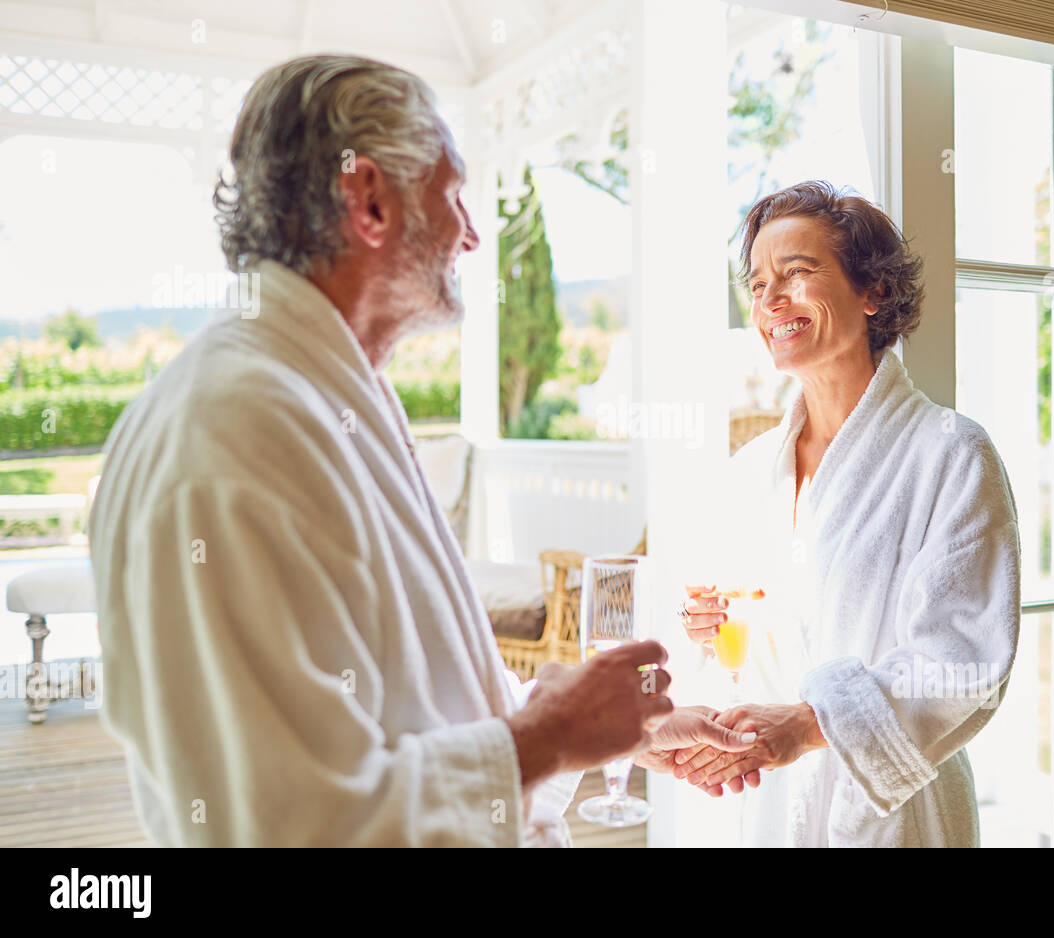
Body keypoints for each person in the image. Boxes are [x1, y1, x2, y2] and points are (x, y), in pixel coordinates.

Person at [86, 54, 753, 847]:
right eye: (455, 194)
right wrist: (550, 735)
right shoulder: (235, 431)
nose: (473, 235)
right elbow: (287, 823)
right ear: (367, 198)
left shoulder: (323, 398)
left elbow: (424, 703)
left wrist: (621, 732)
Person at [673, 181, 1022, 847]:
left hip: (892, 813)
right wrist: (707, 629)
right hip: (769, 804)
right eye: (758, 284)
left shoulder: (949, 453)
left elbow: (963, 658)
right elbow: (750, 642)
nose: (771, 300)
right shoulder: (751, 471)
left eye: (798, 274)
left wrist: (808, 724)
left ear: (873, 292)